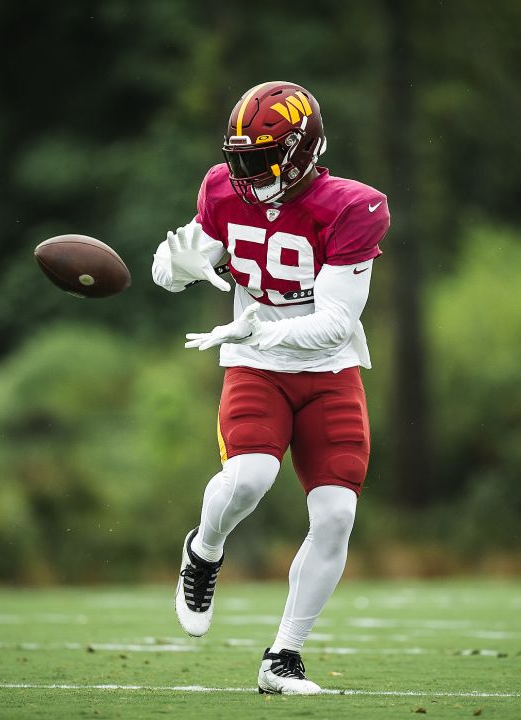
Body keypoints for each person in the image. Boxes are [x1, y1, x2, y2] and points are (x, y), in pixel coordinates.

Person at [151, 80, 390, 695]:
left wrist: (257, 330)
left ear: (302, 151)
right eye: (240, 160)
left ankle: (283, 657)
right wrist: (175, 268)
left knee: (336, 513)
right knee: (250, 477)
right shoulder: (223, 189)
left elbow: (337, 323)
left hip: (328, 370)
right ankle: (203, 553)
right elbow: (176, 263)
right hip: (254, 367)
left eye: (260, 160)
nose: (246, 174)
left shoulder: (351, 207)